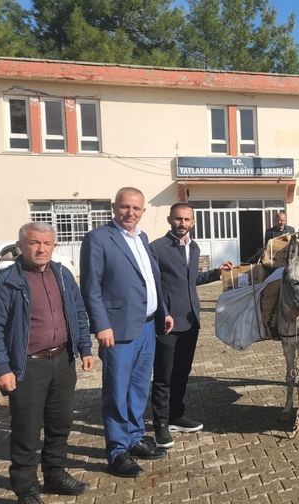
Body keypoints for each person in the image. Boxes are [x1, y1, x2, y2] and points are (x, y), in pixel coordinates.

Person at [0, 222, 94, 504]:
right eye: (34, 242)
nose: (41, 248)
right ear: (21, 245)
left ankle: (55, 474)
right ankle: (25, 486)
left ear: (54, 246)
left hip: (63, 361)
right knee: (27, 430)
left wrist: (84, 348)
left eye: (47, 243)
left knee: (60, 424)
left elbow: (78, 312)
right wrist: (1, 368)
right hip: (28, 366)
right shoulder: (3, 283)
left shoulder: (63, 275)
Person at [80, 187, 174, 477]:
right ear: (114, 207)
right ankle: (117, 451)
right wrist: (101, 325)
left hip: (147, 326)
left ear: (143, 212)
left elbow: (151, 279)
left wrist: (163, 311)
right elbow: (91, 287)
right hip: (118, 330)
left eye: (136, 209)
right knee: (116, 392)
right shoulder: (98, 239)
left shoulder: (142, 238)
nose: (130, 213)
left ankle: (134, 439)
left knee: (137, 388)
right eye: (124, 207)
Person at [149, 204, 234, 448]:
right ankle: (160, 424)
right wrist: (163, 313)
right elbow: (152, 286)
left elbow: (190, 280)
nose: (182, 223)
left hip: (190, 321)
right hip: (168, 323)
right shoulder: (156, 249)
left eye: (187, 219)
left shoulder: (194, 247)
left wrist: (218, 273)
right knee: (163, 376)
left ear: (193, 222)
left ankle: (176, 415)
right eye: (178, 219)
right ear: (169, 219)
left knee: (181, 372)